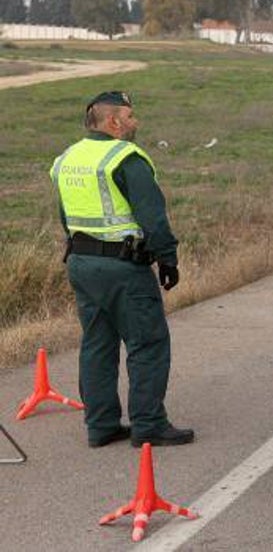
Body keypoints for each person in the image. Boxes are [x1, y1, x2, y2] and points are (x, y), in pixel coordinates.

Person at [50, 91, 194, 448]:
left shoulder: (67, 158)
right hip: (123, 266)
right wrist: (168, 258)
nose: (135, 123)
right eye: (130, 116)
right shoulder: (125, 157)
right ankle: (148, 425)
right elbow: (152, 215)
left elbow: (66, 216)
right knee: (147, 343)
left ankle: (101, 426)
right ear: (113, 121)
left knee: (97, 344)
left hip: (81, 263)